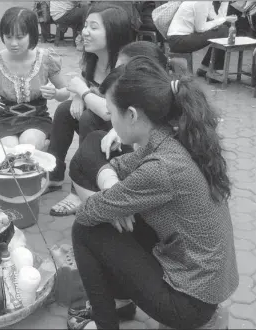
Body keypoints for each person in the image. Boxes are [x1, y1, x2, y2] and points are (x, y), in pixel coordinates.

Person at [67, 56, 238, 329]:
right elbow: (113, 161)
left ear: (132, 115)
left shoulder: (161, 167)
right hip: (202, 284)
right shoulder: (168, 138)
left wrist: (111, 203)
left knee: (86, 230)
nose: (108, 119)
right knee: (96, 149)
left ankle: (104, 324)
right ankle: (119, 307)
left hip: (190, 304)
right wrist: (112, 186)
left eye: (111, 113)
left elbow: (88, 212)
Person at [46, 2, 134, 216]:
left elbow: (111, 112)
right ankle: (54, 174)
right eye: (85, 25)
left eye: (94, 27)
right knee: (64, 111)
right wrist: (72, 95)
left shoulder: (126, 67)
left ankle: (80, 189)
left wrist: (83, 93)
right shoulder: (92, 60)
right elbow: (80, 86)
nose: (84, 32)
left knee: (88, 118)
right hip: (100, 128)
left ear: (113, 34)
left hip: (125, 137)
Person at [0, 7, 70, 151]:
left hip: (37, 118)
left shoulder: (46, 59)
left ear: (32, 34)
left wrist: (55, 94)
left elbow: (66, 92)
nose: (13, 43)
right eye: (8, 37)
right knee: (9, 150)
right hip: (6, 120)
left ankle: (42, 149)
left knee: (27, 146)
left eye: (20, 37)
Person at [167, 1, 237, 78]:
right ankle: (210, 70)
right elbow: (200, 28)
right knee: (224, 30)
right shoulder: (201, 2)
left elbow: (217, 21)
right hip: (179, 40)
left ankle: (205, 68)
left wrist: (225, 3)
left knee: (222, 30)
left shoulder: (207, 2)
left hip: (179, 38)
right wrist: (224, 19)